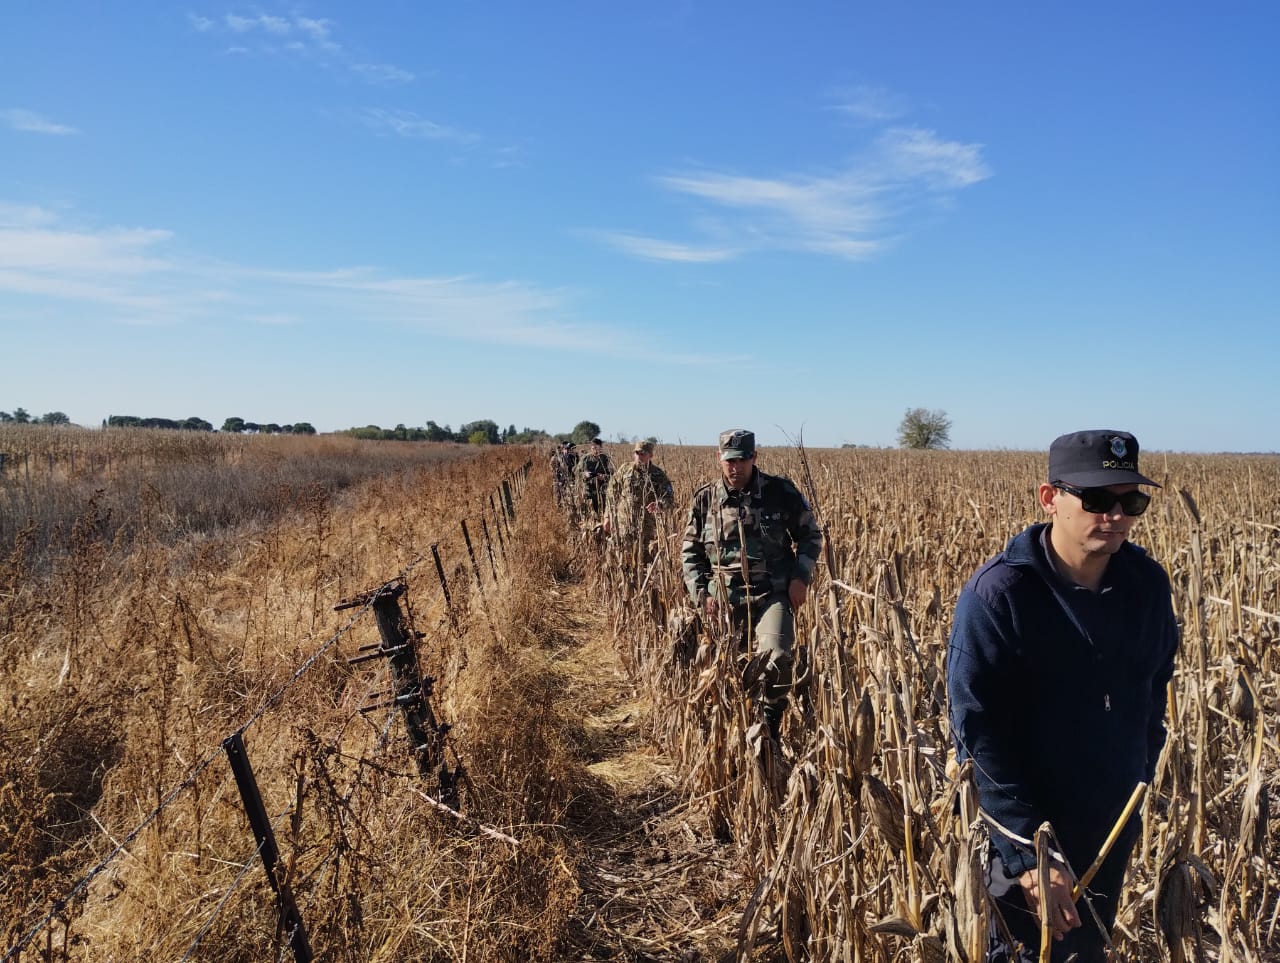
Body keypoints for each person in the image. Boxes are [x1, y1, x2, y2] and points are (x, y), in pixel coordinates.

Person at [946, 429, 1179, 963]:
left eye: (1131, 501)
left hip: (1110, 820)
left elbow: (1153, 690)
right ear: (1050, 498)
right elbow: (978, 734)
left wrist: (1139, 774)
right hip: (1028, 827)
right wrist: (1029, 853)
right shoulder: (999, 596)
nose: (1116, 515)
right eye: (1096, 499)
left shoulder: (1146, 585)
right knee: (1030, 953)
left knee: (1087, 950)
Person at [680, 429, 822, 741]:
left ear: (754, 458)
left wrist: (801, 577)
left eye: (742, 459)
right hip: (725, 600)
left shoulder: (780, 492)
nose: (735, 467)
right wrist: (702, 594)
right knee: (728, 670)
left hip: (773, 594)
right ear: (719, 459)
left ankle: (769, 729)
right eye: (729, 460)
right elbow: (690, 552)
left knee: (777, 657)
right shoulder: (706, 499)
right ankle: (730, 734)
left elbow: (811, 536)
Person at [602, 440, 675, 560]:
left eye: (643, 454)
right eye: (637, 453)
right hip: (623, 525)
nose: (639, 456)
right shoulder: (624, 470)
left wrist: (660, 505)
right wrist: (607, 517)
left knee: (644, 559)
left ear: (650, 455)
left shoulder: (658, 475)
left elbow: (669, 498)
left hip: (646, 527)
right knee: (622, 557)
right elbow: (611, 493)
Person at [577, 437, 613, 520]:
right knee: (590, 512)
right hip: (589, 490)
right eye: (592, 448)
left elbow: (613, 475)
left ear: (601, 447)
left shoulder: (606, 459)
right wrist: (585, 474)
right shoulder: (585, 459)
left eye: (596, 448)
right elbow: (577, 472)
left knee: (604, 511)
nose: (594, 450)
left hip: (603, 490)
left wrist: (604, 477)